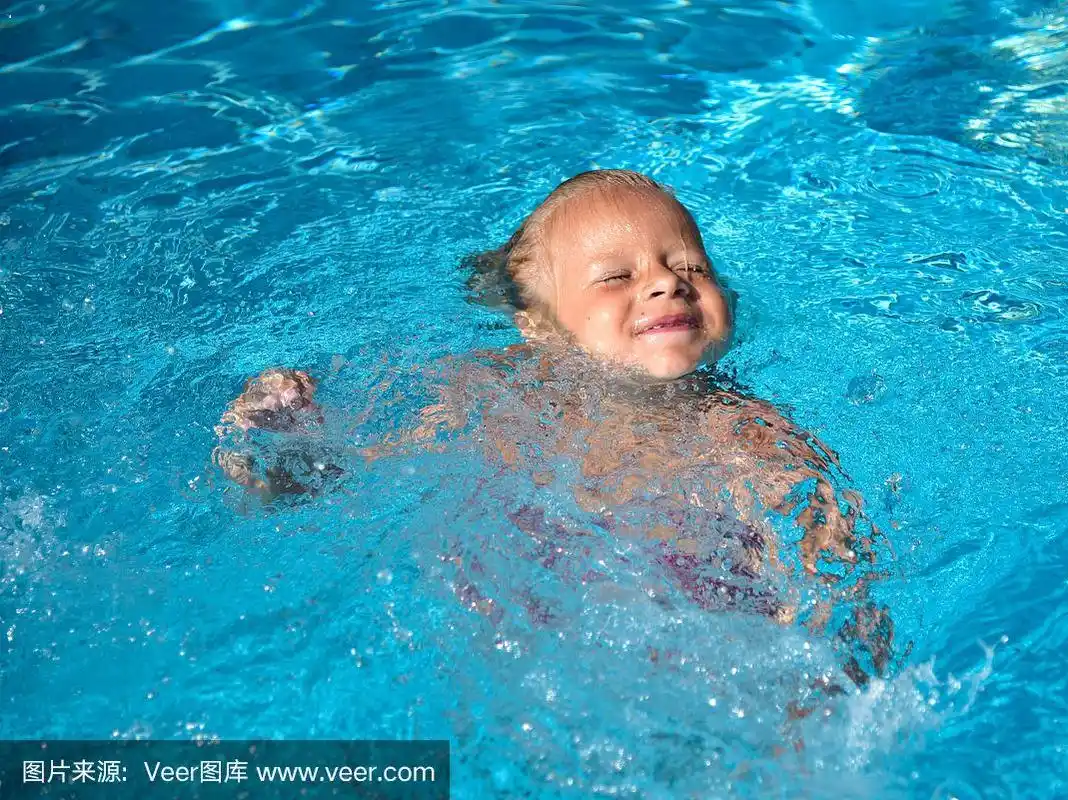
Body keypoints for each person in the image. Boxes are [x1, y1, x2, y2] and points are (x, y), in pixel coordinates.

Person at [214, 169, 895, 685]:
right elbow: (368, 470)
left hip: (694, 646)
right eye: (616, 276)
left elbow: (833, 563)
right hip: (513, 634)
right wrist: (298, 441)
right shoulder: (488, 391)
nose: (666, 284)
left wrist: (833, 664)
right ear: (538, 327)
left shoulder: (745, 431)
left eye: (689, 266)